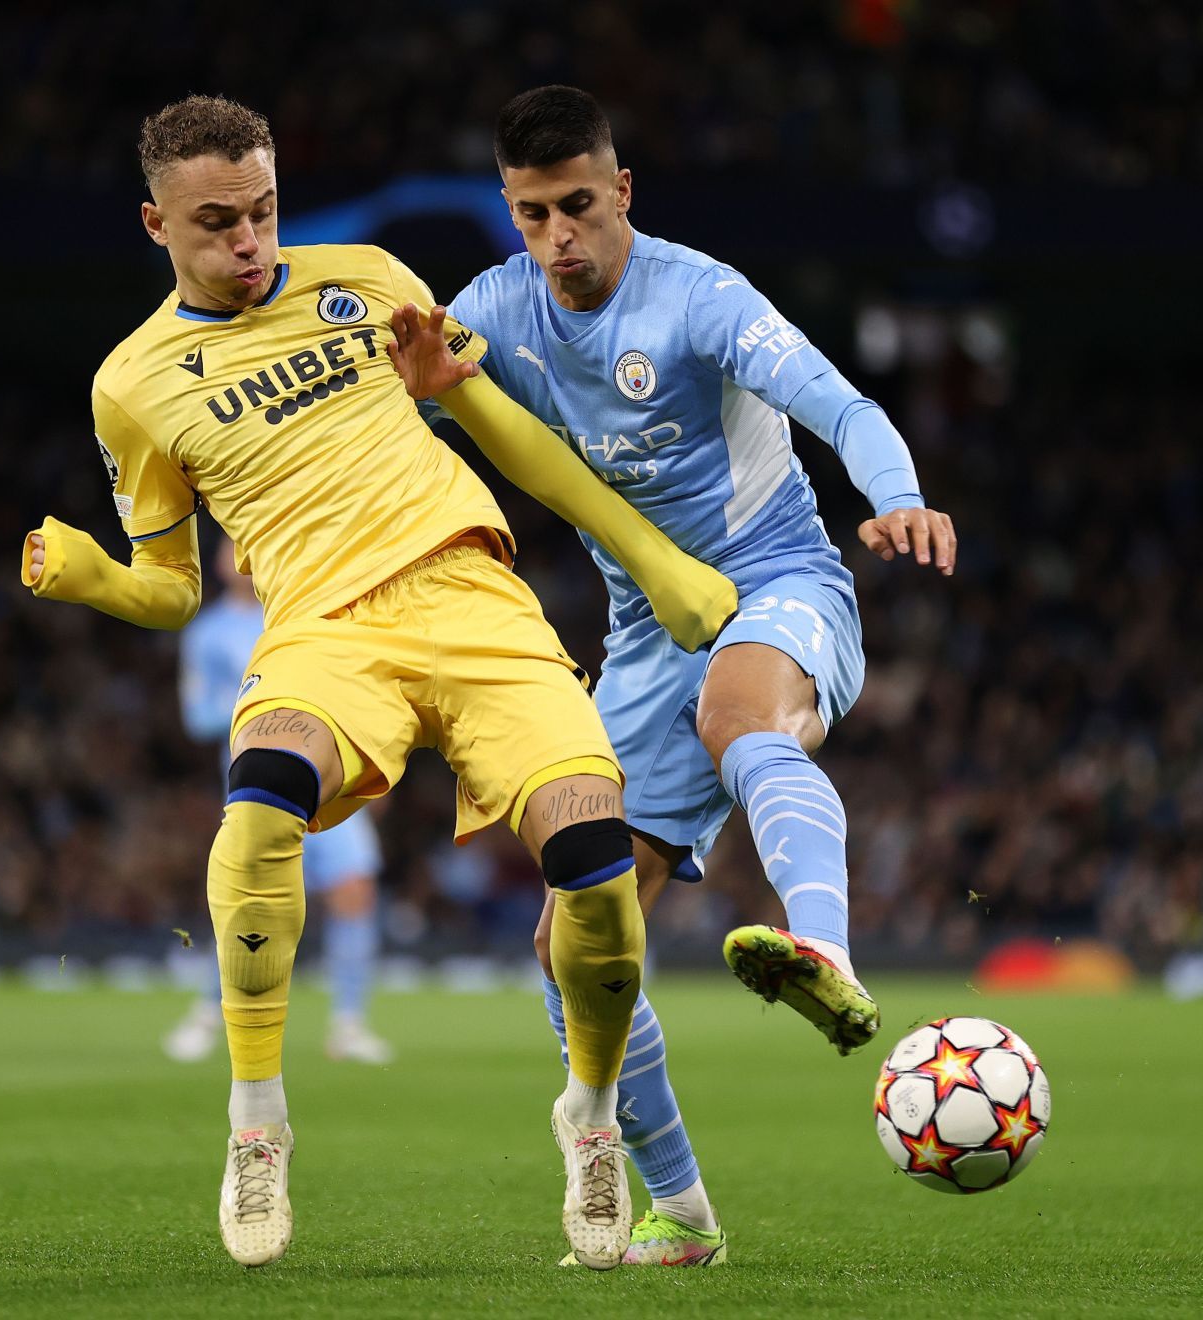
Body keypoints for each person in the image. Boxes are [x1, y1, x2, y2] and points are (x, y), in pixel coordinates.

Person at [18, 94, 738, 1271]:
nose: (249, 241)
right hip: (321, 631)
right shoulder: (133, 384)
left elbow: (502, 426)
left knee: (599, 879)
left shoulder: (362, 275)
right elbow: (171, 587)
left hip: (473, 601)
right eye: (216, 223)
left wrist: (657, 563)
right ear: (156, 224)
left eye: (262, 212)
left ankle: (592, 1122)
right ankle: (258, 1124)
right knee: (256, 815)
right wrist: (95, 573)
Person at [391, 85, 956, 1267]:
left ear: (623, 192)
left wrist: (895, 495)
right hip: (644, 633)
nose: (561, 238)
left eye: (581, 207)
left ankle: (829, 956)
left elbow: (840, 406)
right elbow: (435, 404)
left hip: (776, 577)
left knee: (738, 713)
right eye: (535, 214)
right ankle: (681, 1212)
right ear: (510, 209)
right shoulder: (495, 308)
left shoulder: (699, 298)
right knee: (571, 944)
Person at [164, 538, 393, 1067]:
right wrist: (267, 701)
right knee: (248, 901)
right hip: (260, 784)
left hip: (331, 782)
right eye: (233, 548)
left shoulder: (307, 616)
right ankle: (207, 1012)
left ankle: (349, 1023)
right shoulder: (208, 634)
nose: (244, 556)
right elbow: (197, 717)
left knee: (355, 890)